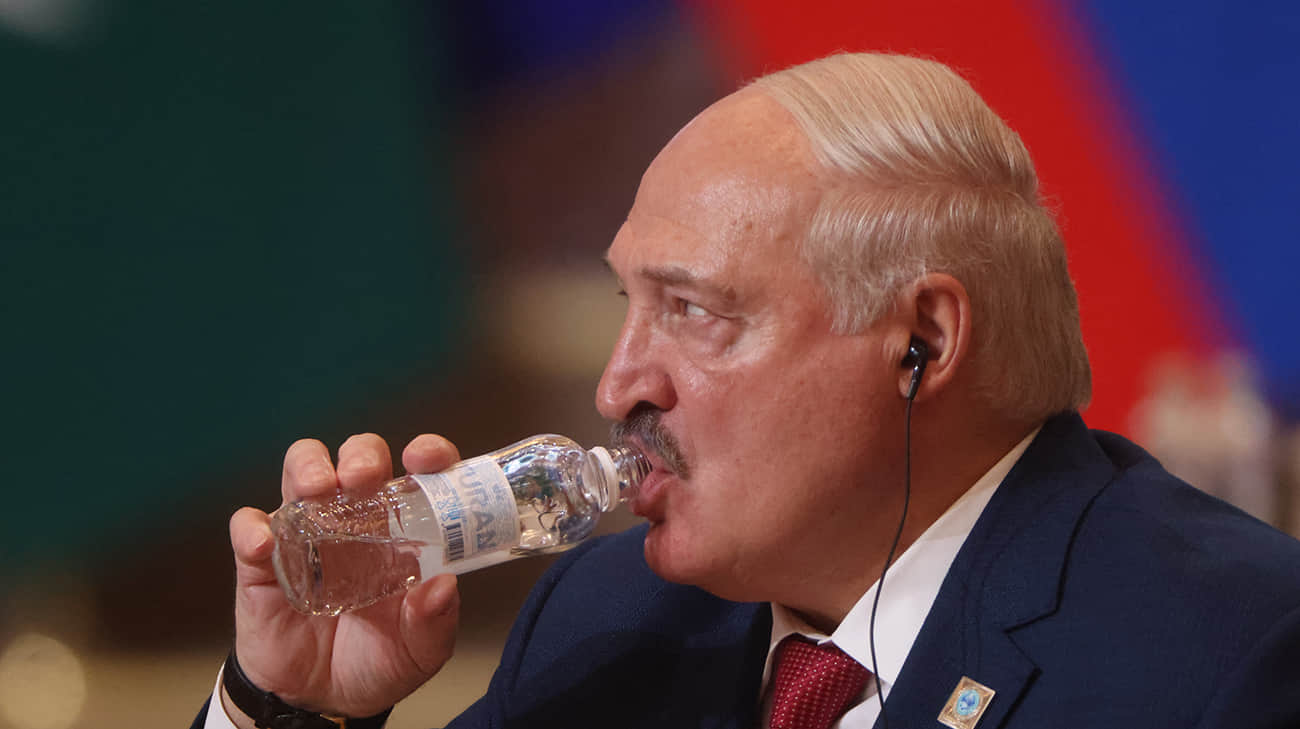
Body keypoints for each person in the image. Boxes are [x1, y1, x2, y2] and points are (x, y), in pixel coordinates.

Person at [195, 52, 1300, 729]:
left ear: (921, 340)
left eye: (692, 310)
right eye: (627, 303)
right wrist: (288, 707)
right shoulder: (610, 619)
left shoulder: (1232, 653)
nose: (618, 383)